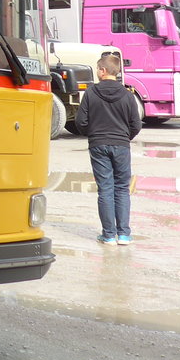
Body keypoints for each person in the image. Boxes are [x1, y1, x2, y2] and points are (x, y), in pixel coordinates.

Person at [74, 53, 142, 245]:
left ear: (103, 71)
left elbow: (80, 121)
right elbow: (136, 124)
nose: (97, 72)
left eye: (97, 69)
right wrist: (124, 137)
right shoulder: (128, 95)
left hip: (98, 145)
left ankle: (109, 235)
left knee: (105, 188)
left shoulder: (90, 93)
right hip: (121, 145)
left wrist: (93, 134)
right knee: (122, 188)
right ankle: (124, 235)